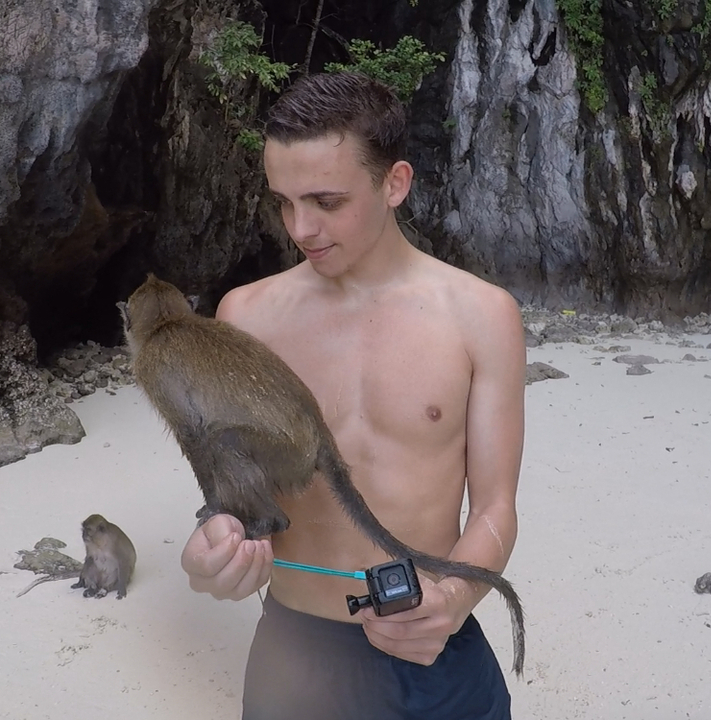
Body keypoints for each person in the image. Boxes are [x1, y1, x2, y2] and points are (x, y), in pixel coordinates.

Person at [178, 71, 527, 720]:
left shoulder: (481, 317)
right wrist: (216, 543)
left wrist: (451, 600)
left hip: (435, 649)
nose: (300, 227)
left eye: (325, 201)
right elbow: (234, 500)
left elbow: (494, 509)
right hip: (296, 658)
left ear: (394, 182)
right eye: (282, 201)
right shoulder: (246, 317)